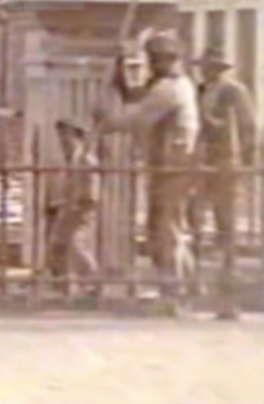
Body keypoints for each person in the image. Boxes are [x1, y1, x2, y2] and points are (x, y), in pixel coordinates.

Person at [97, 31, 200, 314]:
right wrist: (118, 80)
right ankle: (182, 289)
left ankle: (175, 293)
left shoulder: (170, 88)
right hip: (168, 165)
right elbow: (139, 99)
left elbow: (136, 117)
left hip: (172, 166)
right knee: (165, 228)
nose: (152, 66)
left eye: (155, 60)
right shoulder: (174, 85)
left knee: (166, 230)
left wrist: (109, 120)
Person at [190, 43, 258, 319]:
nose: (207, 72)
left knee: (226, 228)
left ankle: (228, 297)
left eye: (212, 67)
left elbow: (248, 127)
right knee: (194, 223)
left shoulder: (233, 91)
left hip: (226, 164)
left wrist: (244, 161)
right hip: (200, 164)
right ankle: (193, 288)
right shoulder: (199, 91)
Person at [45, 115, 99, 294]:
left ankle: (93, 281)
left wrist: (82, 204)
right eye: (60, 135)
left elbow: (92, 190)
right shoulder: (68, 160)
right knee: (57, 246)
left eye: (66, 134)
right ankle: (62, 286)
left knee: (75, 245)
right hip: (66, 208)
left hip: (79, 209)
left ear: (77, 136)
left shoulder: (86, 160)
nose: (63, 140)